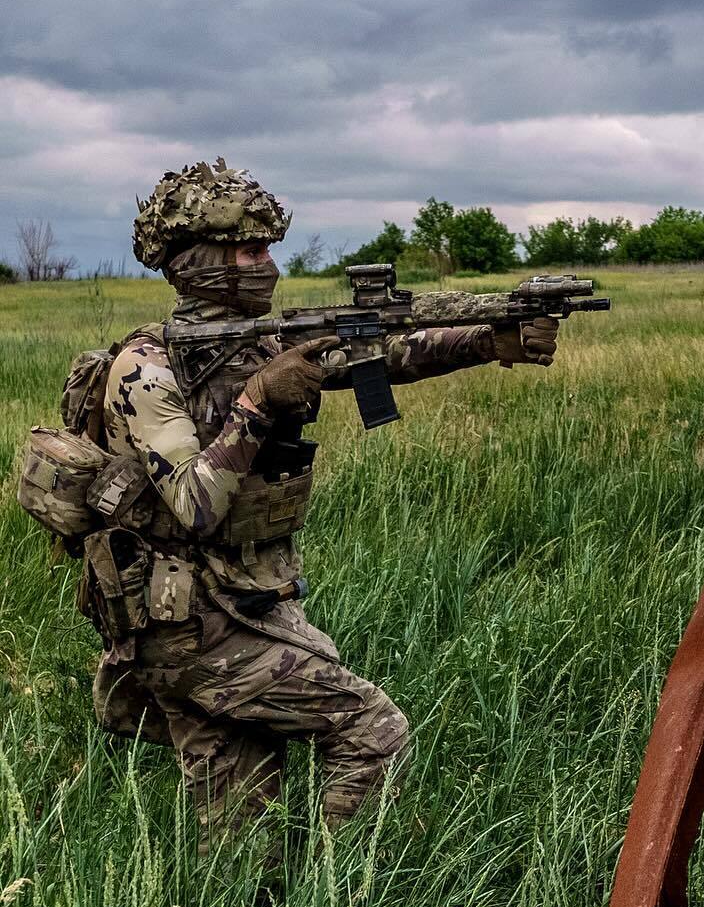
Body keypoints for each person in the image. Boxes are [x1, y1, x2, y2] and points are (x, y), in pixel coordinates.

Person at [86, 157, 558, 851]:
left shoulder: (257, 343)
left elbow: (386, 357)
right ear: (201, 259)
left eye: (270, 248)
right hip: (186, 629)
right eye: (251, 249)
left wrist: (491, 340)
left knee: (243, 845)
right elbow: (192, 504)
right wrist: (257, 404)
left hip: (233, 608)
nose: (269, 265)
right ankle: (336, 902)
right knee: (375, 730)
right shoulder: (145, 369)